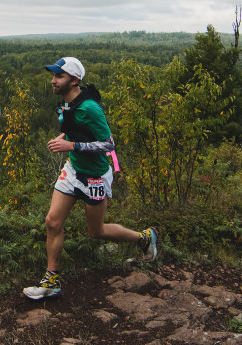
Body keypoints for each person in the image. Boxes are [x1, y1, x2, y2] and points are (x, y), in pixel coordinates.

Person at [23, 57, 158, 300]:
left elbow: (109, 144)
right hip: (73, 170)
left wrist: (70, 145)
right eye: (53, 76)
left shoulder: (90, 108)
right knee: (52, 222)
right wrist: (64, 138)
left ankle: (145, 238)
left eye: (59, 77)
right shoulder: (68, 103)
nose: (53, 81)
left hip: (94, 175)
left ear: (74, 81)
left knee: (96, 231)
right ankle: (51, 281)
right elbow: (75, 128)